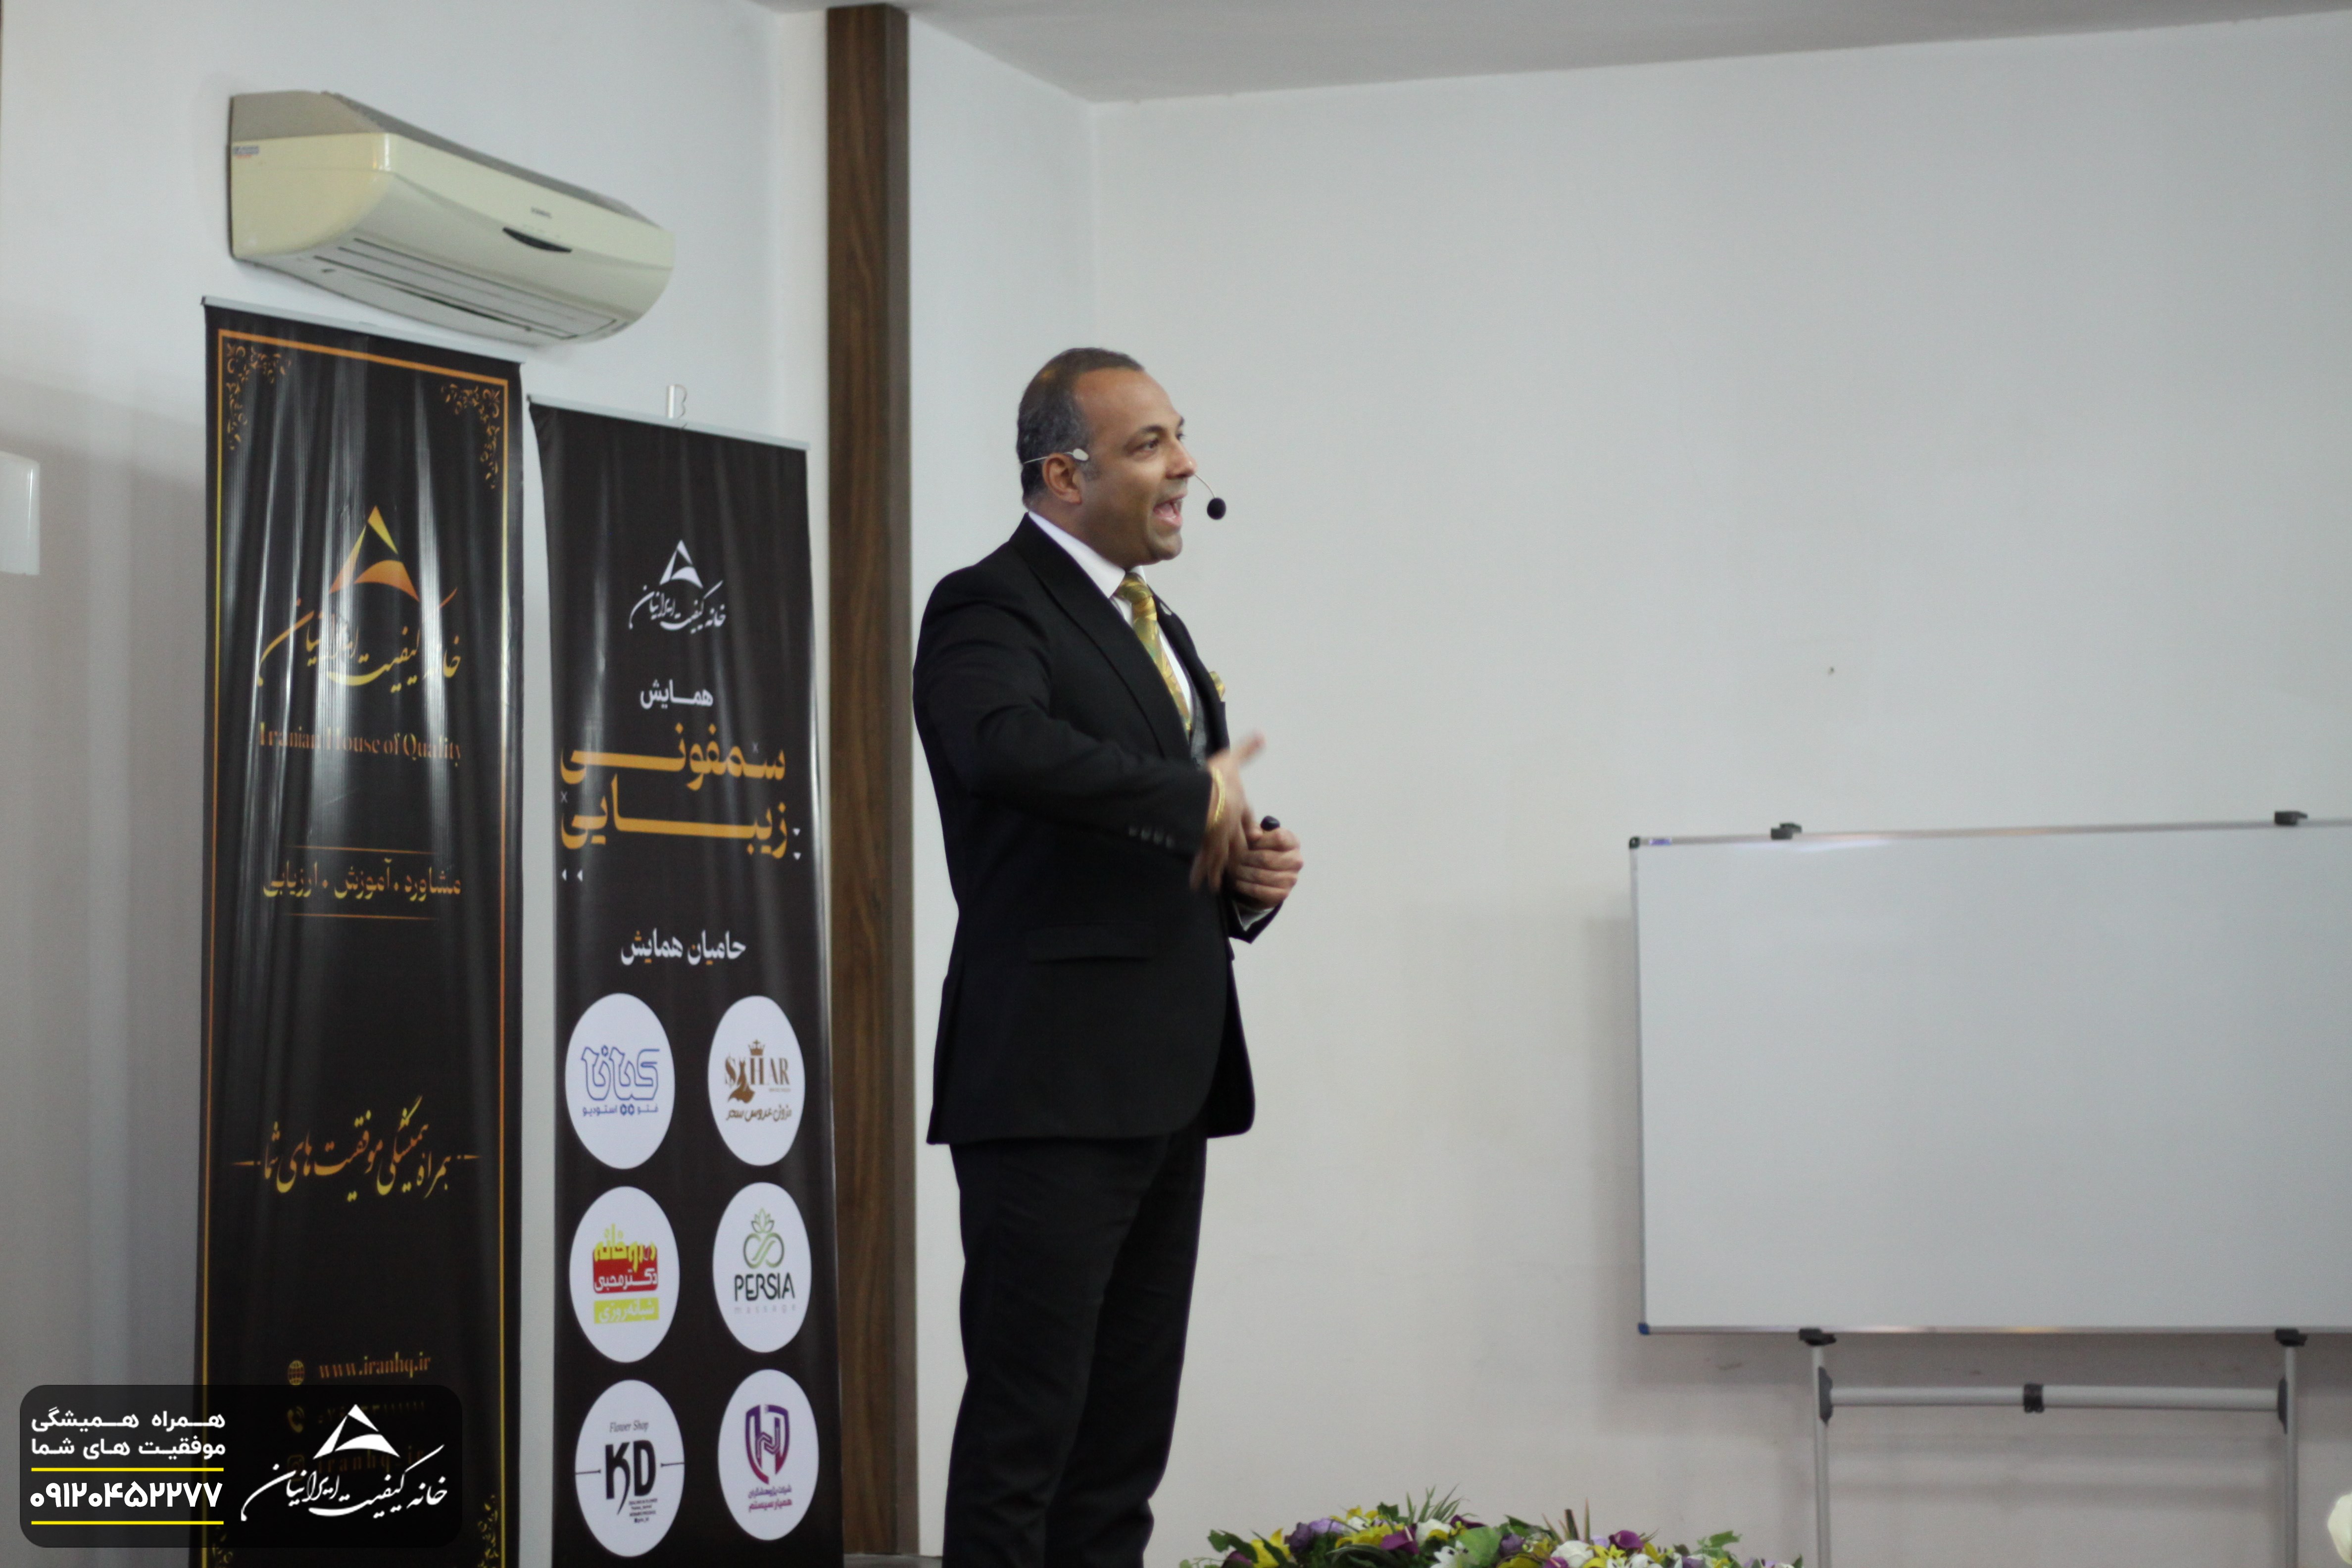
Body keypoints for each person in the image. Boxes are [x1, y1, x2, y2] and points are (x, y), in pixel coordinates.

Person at [914, 347, 1304, 1568]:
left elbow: (1156, 828)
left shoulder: (1156, 625)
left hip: (1166, 1083)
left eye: (1180, 436)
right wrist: (1191, 798)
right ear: (1063, 477)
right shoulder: (988, 605)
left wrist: (1244, 877)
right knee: (1026, 1440)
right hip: (1050, 1087)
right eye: (1151, 444)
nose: (1186, 464)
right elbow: (1003, 747)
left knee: (1121, 1454)